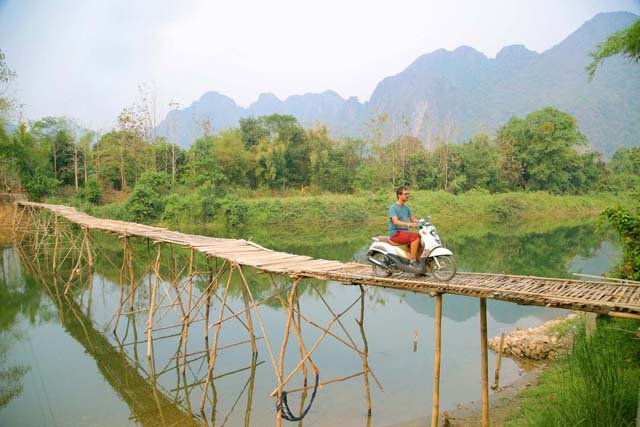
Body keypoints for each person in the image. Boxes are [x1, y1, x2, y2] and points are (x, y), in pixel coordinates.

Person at [388, 186, 420, 267]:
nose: (407, 195)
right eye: (405, 194)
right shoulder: (393, 207)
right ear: (399, 195)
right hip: (396, 233)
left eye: (408, 194)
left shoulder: (406, 208)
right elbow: (395, 222)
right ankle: (412, 262)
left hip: (404, 233)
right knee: (416, 237)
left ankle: (419, 266)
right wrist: (408, 224)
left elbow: (412, 219)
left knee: (421, 238)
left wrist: (421, 222)